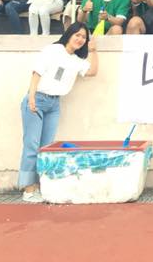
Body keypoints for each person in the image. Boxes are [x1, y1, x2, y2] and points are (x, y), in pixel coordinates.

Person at [19, 22, 97, 203]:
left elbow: (92, 71)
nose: (80, 39)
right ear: (69, 34)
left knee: (46, 148)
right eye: (77, 35)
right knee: (32, 145)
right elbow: (37, 72)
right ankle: (28, 189)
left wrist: (93, 50)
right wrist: (31, 96)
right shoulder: (53, 50)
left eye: (84, 37)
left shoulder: (76, 61)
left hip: (54, 104)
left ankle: (41, 186)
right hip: (37, 99)